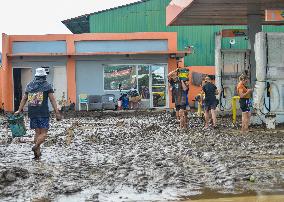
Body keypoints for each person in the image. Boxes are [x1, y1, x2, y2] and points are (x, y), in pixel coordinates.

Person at [15, 67, 61, 159]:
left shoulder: (29, 85)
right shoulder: (47, 86)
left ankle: (37, 154)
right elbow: (52, 100)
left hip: (32, 112)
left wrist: (19, 110)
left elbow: (24, 98)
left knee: (37, 132)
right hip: (43, 112)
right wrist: (57, 112)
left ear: (36, 76)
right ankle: (36, 147)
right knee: (44, 133)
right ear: (44, 76)